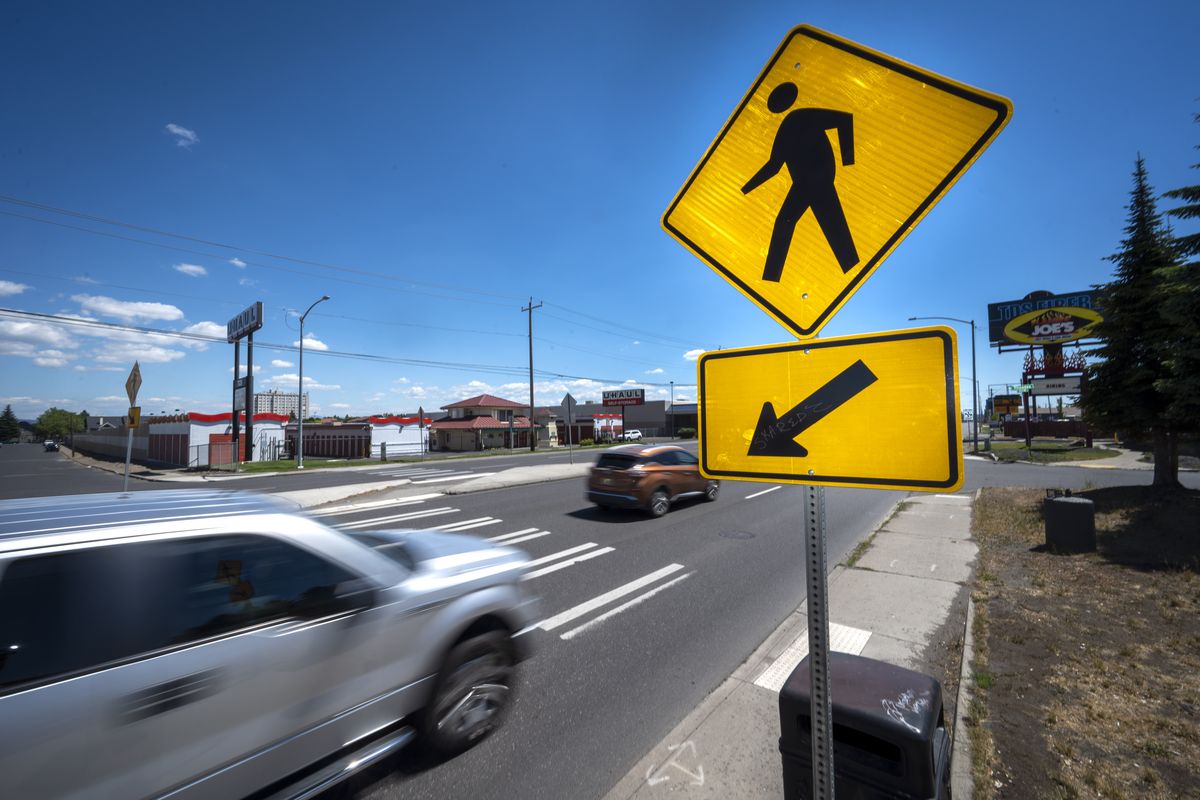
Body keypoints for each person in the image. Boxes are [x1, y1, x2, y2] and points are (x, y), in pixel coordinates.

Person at [742, 81, 859, 282]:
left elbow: (844, 119)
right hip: (804, 183)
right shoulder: (786, 127)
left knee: (829, 223)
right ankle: (771, 280)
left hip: (818, 176)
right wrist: (746, 188)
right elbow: (774, 165)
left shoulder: (803, 116)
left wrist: (848, 159)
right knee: (791, 222)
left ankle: (852, 268)